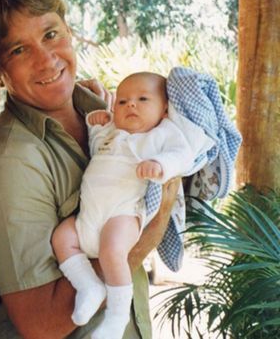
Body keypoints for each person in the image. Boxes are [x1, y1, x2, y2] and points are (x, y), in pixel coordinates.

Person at [0, 0, 180, 338]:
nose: (46, 60)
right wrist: (153, 223)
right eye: (18, 50)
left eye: (51, 35)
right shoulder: (10, 164)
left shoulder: (105, 113)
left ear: (69, 31)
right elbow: (41, 324)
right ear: (0, 71)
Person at [51, 72, 214, 339]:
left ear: (164, 109)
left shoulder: (162, 134)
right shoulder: (113, 131)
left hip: (123, 214)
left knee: (113, 251)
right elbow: (97, 148)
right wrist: (97, 124)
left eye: (142, 99)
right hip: (88, 215)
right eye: (123, 101)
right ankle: (88, 285)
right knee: (62, 237)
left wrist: (161, 165)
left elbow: (182, 155)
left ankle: (116, 317)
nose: (131, 106)